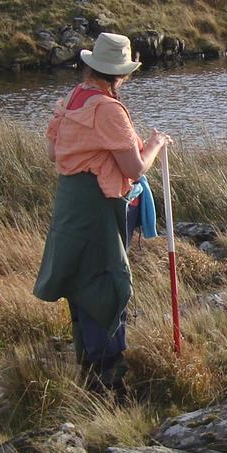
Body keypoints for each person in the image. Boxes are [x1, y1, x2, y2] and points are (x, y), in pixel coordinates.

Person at [32, 33, 170, 392]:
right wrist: (155, 144)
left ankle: (90, 377)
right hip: (98, 208)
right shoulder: (108, 109)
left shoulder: (71, 100)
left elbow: (54, 153)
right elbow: (135, 169)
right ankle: (109, 386)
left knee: (80, 285)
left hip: (70, 206)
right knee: (106, 285)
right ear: (117, 75)